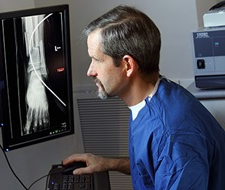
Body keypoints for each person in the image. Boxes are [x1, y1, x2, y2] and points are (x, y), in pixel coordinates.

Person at [63, 5, 225, 189]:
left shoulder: (171, 132)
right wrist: (109, 164)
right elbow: (155, 165)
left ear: (128, 65)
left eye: (97, 60)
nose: (90, 71)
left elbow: (169, 157)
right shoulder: (158, 95)